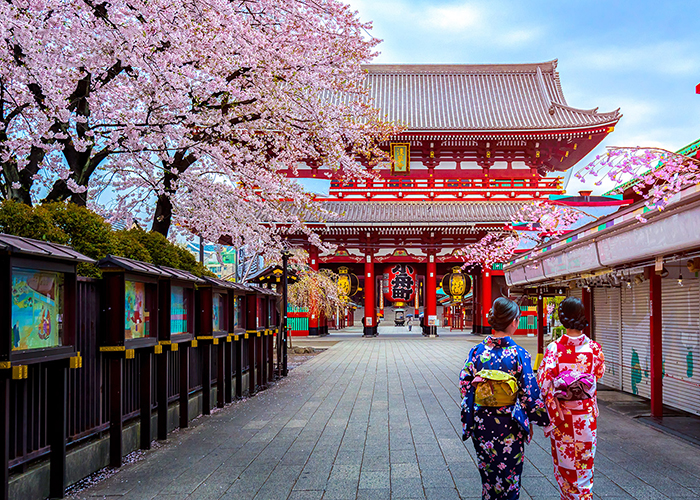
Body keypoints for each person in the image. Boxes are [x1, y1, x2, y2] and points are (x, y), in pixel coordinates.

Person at [460, 297, 550, 500]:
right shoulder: (519, 354)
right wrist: (541, 419)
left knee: (489, 476)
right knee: (510, 477)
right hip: (509, 424)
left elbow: (465, 385)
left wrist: (473, 408)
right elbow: (529, 393)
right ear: (513, 322)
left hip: (482, 422)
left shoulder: (477, 352)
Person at [537, 297, 605, 500]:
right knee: (584, 465)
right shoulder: (594, 349)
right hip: (585, 417)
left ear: (562, 318)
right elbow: (599, 373)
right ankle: (584, 496)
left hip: (563, 417)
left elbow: (543, 383)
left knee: (565, 467)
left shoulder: (554, 349)